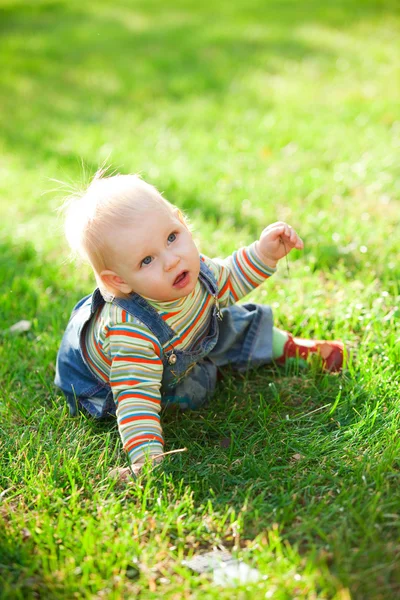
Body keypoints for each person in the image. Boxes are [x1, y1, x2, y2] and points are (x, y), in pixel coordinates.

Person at [55, 172, 344, 477]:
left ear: (181, 222)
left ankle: (287, 348)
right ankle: (210, 365)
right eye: (147, 261)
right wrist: (146, 458)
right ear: (120, 281)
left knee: (233, 321)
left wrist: (264, 253)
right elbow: (135, 396)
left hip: (183, 340)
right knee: (194, 389)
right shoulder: (130, 331)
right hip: (112, 381)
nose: (171, 261)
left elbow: (230, 277)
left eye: (171, 238)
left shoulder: (196, 272)